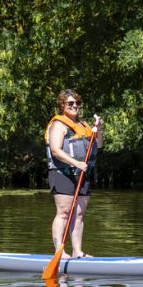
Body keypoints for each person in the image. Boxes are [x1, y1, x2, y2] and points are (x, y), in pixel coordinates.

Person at [45, 89, 103, 259]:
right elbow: (55, 150)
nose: (75, 106)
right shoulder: (58, 124)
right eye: (70, 103)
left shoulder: (84, 125)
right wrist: (75, 162)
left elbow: (98, 145)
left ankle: (77, 251)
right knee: (64, 212)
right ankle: (60, 252)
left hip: (83, 173)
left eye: (77, 103)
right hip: (63, 173)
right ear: (62, 105)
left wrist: (98, 129)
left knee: (79, 214)